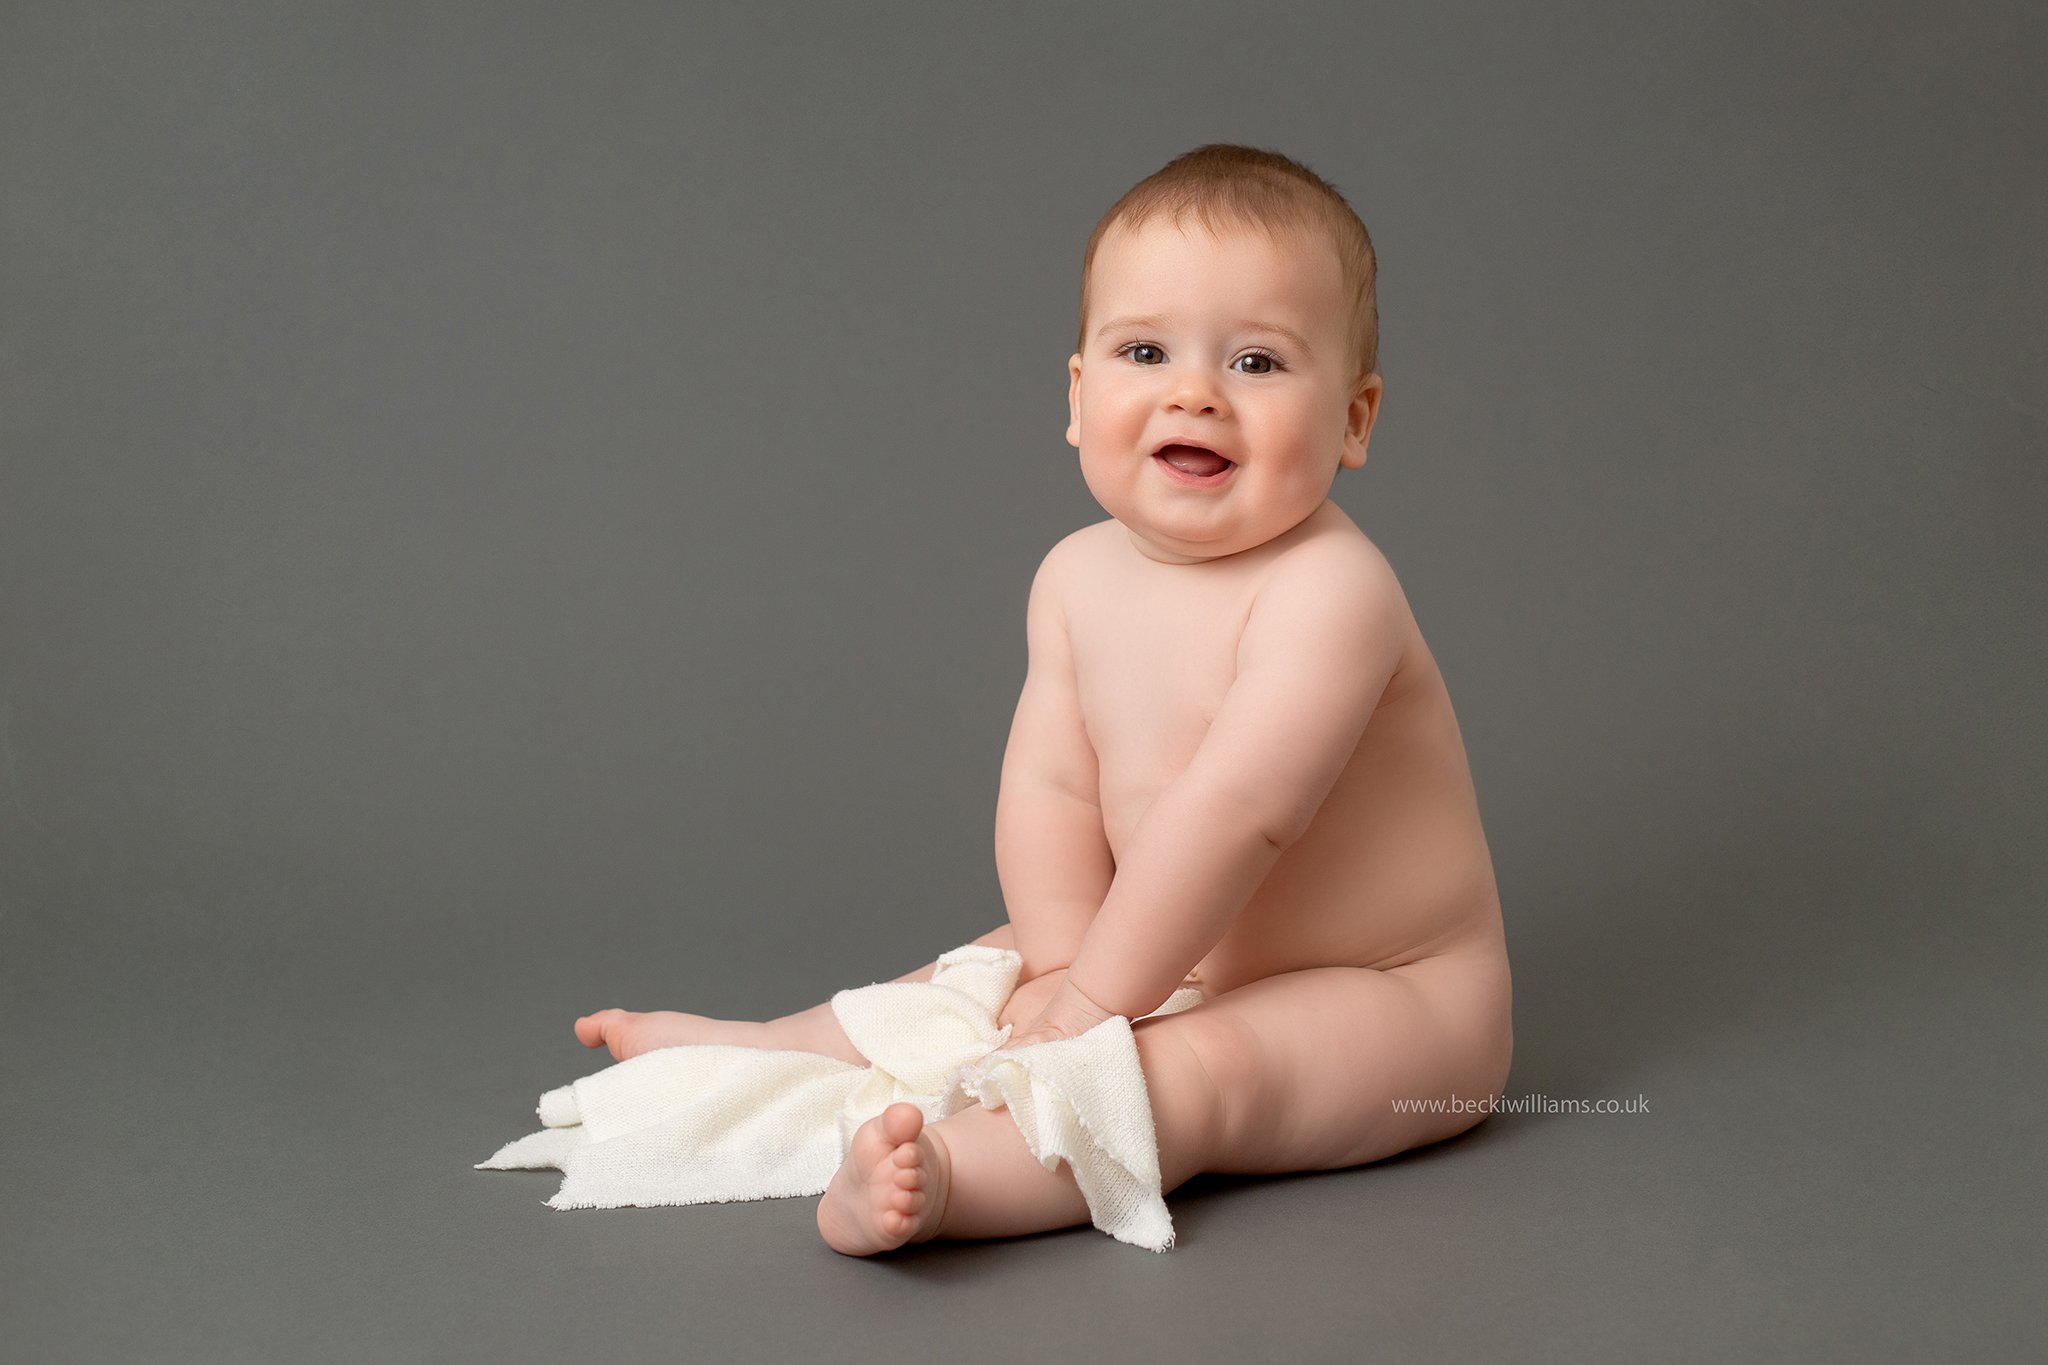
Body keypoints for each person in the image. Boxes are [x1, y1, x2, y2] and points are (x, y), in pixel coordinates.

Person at [574, 144, 1513, 1255]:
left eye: (1256, 362)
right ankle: (759, 1051)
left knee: (1185, 1072)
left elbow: (1237, 812)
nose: (1193, 392)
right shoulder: (1074, 575)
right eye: (1145, 350)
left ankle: (951, 1188)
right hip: (1175, 942)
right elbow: (1053, 785)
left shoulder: (1331, 593)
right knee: (978, 968)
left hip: (1394, 1001)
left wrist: (1086, 1007)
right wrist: (1067, 961)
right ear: (1077, 395)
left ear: (1352, 421)